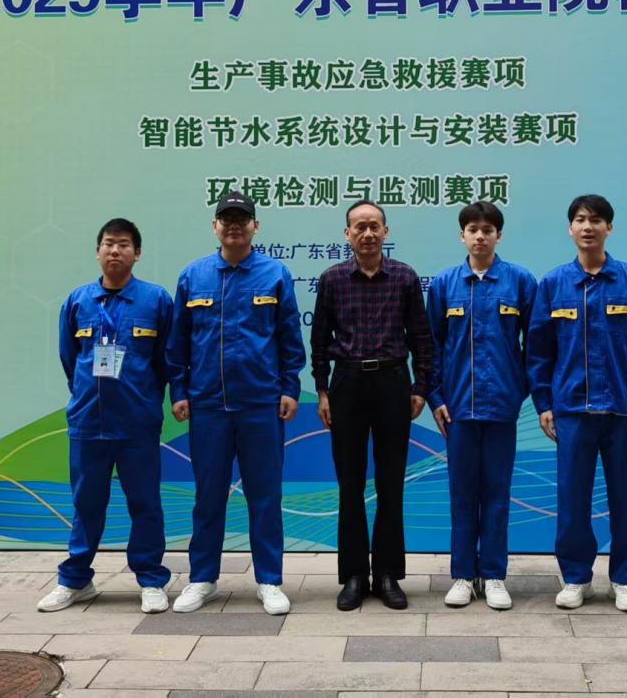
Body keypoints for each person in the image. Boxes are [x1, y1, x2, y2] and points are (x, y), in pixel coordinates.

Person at [166, 192, 306, 616]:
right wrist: (179, 390)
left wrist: (289, 387)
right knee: (208, 496)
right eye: (225, 219)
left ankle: (269, 580)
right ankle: (202, 579)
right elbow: (178, 343)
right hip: (208, 406)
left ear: (254, 227)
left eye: (241, 219)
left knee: (265, 496)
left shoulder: (274, 274)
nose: (233, 226)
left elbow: (289, 338)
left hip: (261, 404)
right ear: (215, 227)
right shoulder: (193, 276)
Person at [527, 194, 627, 613]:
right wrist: (544, 403)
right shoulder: (553, 284)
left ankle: (625, 579)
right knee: (572, 500)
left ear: (609, 228)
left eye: (597, 220)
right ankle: (575, 578)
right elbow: (539, 351)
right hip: (572, 410)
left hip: (622, 412)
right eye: (581, 220)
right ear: (570, 228)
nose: (588, 227)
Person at [39, 218, 174, 614]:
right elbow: (70, 359)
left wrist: (146, 399)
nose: (115, 251)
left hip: (137, 424)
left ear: (138, 253)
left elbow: (166, 361)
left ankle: (151, 579)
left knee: (145, 503)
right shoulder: (78, 301)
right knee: (86, 504)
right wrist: (88, 395)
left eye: (124, 244)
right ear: (97, 251)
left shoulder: (156, 300)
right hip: (88, 423)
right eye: (109, 244)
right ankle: (76, 580)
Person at [311, 200, 432, 611]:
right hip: (346, 384)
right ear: (347, 234)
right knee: (350, 485)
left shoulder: (404, 277)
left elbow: (421, 337)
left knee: (391, 483)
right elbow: (319, 341)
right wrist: (322, 391)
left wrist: (420, 387)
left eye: (374, 226)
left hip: (392, 383)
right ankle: (354, 576)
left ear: (385, 231)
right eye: (359, 226)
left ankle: (387, 574)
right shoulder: (332, 279)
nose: (367, 233)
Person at [426, 201, 537, 610]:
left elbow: (536, 346)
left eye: (487, 230)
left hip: (501, 408)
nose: (480, 236)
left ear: (498, 236)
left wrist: (518, 389)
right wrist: (437, 397)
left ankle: (493, 575)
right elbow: (431, 348)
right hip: (457, 410)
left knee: (496, 493)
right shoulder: (444, 285)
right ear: (462, 236)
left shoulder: (520, 282)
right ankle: (461, 574)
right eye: (472, 229)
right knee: (461, 494)